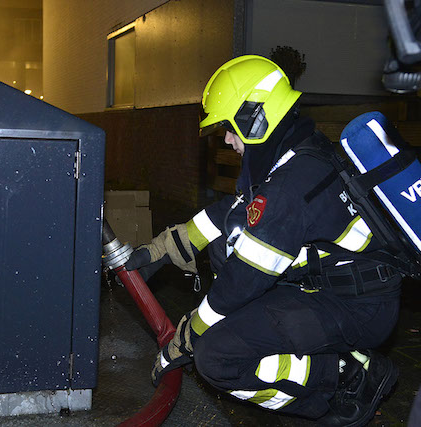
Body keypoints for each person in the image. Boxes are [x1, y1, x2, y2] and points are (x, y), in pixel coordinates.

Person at [125, 55, 401, 426]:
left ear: (254, 117)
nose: (225, 139)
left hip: (357, 308)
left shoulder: (291, 186)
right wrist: (161, 250)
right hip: (335, 291)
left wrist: (186, 337)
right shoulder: (296, 152)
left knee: (216, 356)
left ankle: (347, 376)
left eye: (228, 127)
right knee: (226, 298)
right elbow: (231, 212)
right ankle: (342, 367)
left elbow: (239, 284)